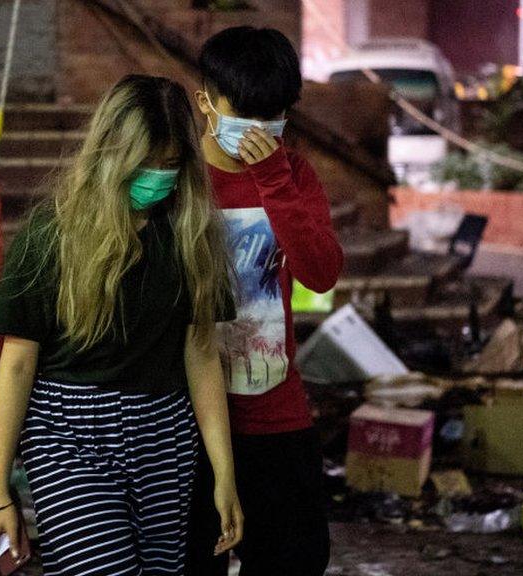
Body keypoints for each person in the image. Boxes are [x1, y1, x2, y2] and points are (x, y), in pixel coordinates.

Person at [0, 74, 244, 576]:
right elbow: (16, 366)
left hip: (165, 433)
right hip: (68, 430)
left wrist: (223, 474)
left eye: (170, 165)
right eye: (145, 164)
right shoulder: (51, 237)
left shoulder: (191, 236)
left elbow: (203, 354)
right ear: (111, 154)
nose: (158, 178)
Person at [186, 26, 344, 576]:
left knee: (295, 561)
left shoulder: (294, 173)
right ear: (206, 103)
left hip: (274, 407)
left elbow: (321, 275)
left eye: (272, 115)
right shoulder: (176, 177)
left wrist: (274, 182)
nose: (259, 130)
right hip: (185, 416)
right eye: (245, 113)